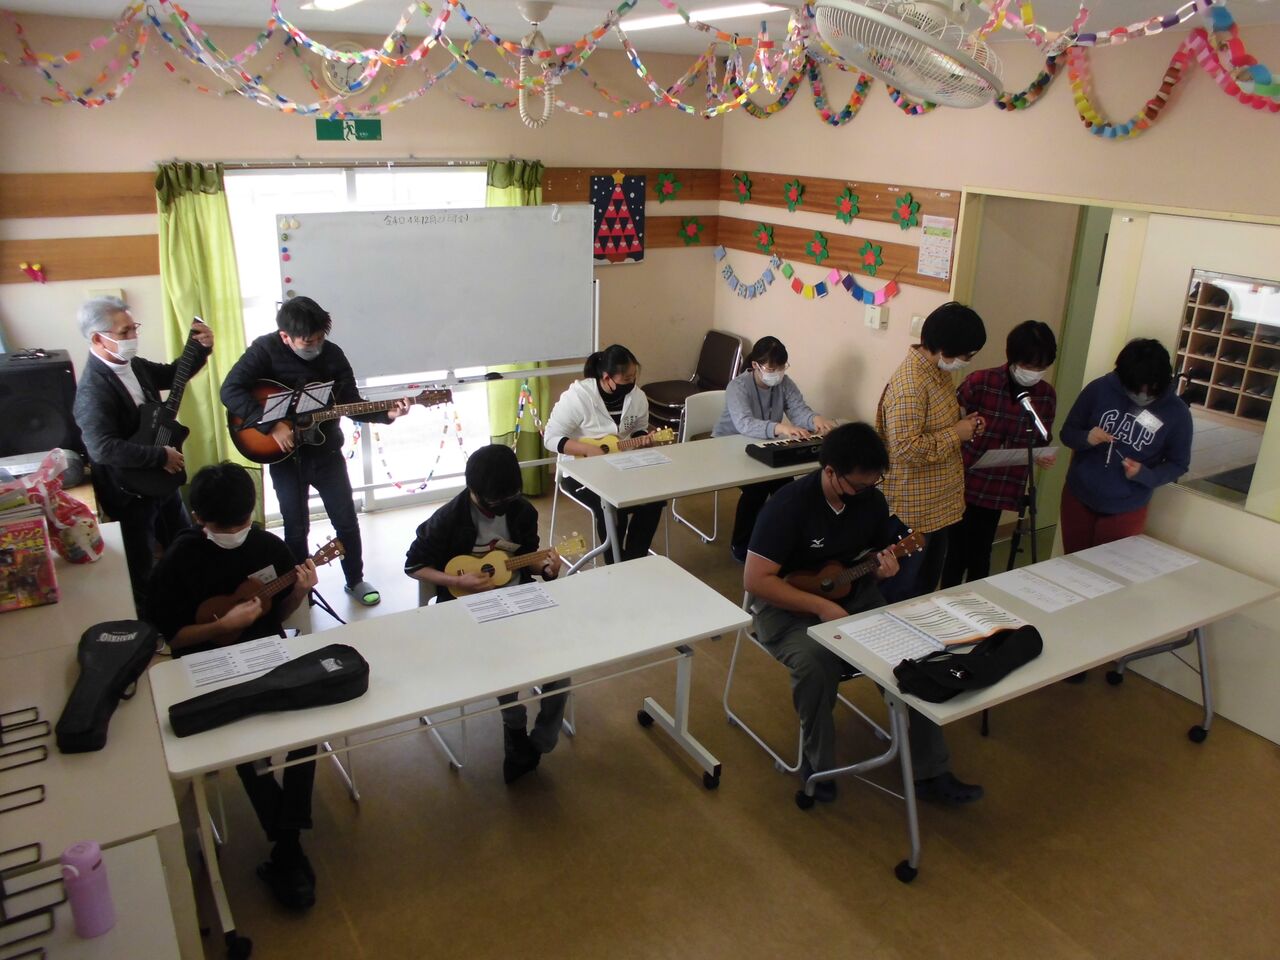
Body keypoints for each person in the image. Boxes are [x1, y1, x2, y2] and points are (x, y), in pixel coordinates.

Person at [744, 423, 983, 805]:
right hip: (786, 607)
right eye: (857, 485)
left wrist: (884, 569)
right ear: (830, 472)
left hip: (852, 595)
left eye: (873, 483)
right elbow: (756, 580)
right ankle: (818, 765)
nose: (866, 491)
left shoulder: (869, 500)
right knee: (815, 663)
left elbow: (874, 555)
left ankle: (931, 771)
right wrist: (822, 606)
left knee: (913, 656)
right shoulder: (788, 507)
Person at [146, 463, 321, 910]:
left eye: (242, 522)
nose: (237, 532)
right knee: (244, 741)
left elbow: (280, 615)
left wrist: (299, 591)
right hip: (207, 667)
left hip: (266, 657)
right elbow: (171, 638)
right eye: (227, 526)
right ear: (199, 519)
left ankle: (285, 840)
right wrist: (220, 627)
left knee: (311, 729)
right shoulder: (179, 560)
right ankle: (289, 843)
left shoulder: (269, 547)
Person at [220, 296, 409, 607]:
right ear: (285, 336)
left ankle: (355, 580)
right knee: (296, 528)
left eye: (321, 337)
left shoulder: (333, 355)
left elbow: (351, 402)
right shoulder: (264, 350)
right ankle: (300, 590)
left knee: (346, 520)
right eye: (309, 341)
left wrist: (385, 414)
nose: (316, 345)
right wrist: (272, 425)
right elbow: (230, 390)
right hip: (284, 458)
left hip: (326, 454)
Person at [404, 444, 564, 784]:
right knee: (502, 659)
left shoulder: (522, 511)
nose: (500, 508)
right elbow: (414, 565)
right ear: (473, 490)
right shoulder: (449, 519)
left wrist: (547, 568)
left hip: (520, 598)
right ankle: (514, 723)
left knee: (563, 661)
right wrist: (456, 581)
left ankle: (541, 740)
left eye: (509, 498)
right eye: (493, 502)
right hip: (470, 608)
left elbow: (528, 560)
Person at [71, 296, 213, 608]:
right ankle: (151, 621)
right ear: (97, 339)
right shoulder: (93, 391)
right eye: (124, 332)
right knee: (142, 565)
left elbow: (174, 374)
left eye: (134, 328)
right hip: (130, 493)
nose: (133, 336)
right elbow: (102, 448)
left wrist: (201, 349)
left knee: (185, 544)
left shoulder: (133, 365)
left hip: (162, 481)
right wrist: (160, 456)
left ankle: (192, 606)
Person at [876, 302, 988, 603]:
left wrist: (966, 424)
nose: (966, 361)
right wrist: (956, 433)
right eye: (966, 355)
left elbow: (936, 426)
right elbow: (905, 447)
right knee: (901, 592)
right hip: (912, 508)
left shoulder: (937, 373)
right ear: (944, 348)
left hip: (937, 504)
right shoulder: (911, 384)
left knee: (924, 590)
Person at [941, 321, 1059, 587]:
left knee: (982, 553)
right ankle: (946, 599)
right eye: (1029, 365)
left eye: (1041, 367)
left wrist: (1042, 455)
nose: (1034, 372)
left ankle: (977, 602)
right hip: (965, 482)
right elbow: (950, 424)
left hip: (1002, 486)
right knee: (955, 554)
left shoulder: (1045, 396)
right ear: (1013, 358)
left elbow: (1042, 438)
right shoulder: (981, 382)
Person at [712, 335, 838, 562]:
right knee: (756, 488)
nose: (777, 373)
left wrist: (815, 419)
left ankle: (781, 540)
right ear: (755, 365)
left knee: (787, 488)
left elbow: (799, 410)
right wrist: (780, 428)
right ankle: (741, 544)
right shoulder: (738, 387)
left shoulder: (785, 383)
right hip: (728, 446)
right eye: (772, 368)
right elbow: (744, 424)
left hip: (763, 447)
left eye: (781, 367)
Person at [1059, 338, 1192, 553]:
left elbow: (1179, 463)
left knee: (1109, 569)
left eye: (1151, 390)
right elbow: (1067, 434)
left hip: (1127, 506)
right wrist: (1087, 438)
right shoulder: (1099, 389)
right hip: (1079, 496)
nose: (1143, 395)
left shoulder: (1177, 413)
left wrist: (1146, 475)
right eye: (1136, 389)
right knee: (1072, 563)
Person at [543, 344, 665, 563]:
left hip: (623, 464)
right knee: (612, 505)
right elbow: (550, 438)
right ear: (607, 378)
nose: (632, 383)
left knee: (654, 499)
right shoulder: (578, 397)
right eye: (626, 379)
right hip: (580, 472)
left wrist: (643, 440)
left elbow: (639, 428)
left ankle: (634, 560)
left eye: (634, 378)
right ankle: (615, 563)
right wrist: (587, 449)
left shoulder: (637, 397)